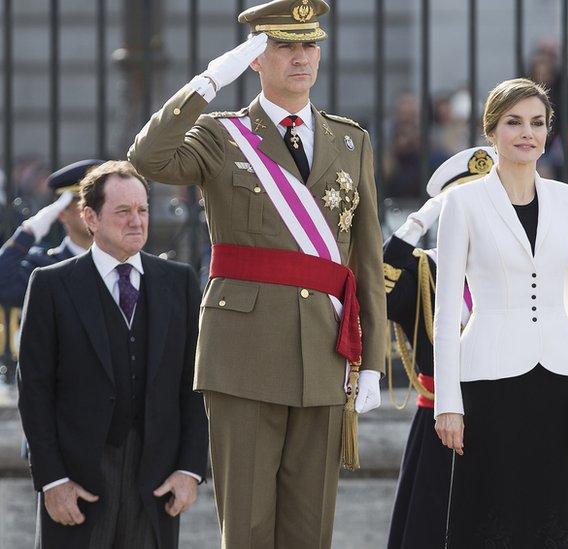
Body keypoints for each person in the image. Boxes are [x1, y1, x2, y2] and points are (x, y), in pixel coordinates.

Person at [127, 1, 386, 546]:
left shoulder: (349, 140)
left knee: (310, 527)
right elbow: (149, 158)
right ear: (254, 59)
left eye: (309, 44)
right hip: (243, 349)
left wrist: (373, 363)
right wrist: (208, 80)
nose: (300, 57)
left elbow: (364, 256)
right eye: (283, 45)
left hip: (323, 350)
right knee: (245, 525)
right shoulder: (222, 135)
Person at [433, 78, 568, 547]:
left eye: (537, 123)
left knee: (547, 516)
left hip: (555, 381)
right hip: (487, 382)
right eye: (514, 122)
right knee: (486, 516)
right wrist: (448, 405)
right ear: (491, 131)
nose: (527, 133)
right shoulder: (462, 202)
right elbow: (444, 314)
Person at [17, 161, 209, 548]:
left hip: (155, 486)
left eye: (142, 210)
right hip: (77, 484)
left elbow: (195, 384)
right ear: (90, 217)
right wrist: (52, 481)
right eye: (123, 211)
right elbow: (34, 391)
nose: (136, 221)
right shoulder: (52, 285)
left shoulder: (179, 282)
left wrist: (190, 469)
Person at [384, 146, 496, 549]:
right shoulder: (423, 269)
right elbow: (379, 287)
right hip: (440, 425)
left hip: (501, 415)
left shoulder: (509, 266)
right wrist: (419, 221)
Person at [0, 159, 101, 307]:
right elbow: (4, 284)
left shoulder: (123, 262)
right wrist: (30, 230)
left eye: (101, 201)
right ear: (62, 212)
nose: (95, 210)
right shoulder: (44, 266)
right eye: (85, 202)